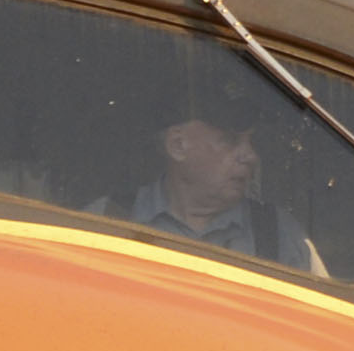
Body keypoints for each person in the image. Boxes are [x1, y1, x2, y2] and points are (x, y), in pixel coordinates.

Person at [118, 110, 324, 275]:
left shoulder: (280, 234)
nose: (250, 156)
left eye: (251, 142)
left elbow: (324, 319)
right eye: (229, 140)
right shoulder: (108, 219)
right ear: (177, 145)